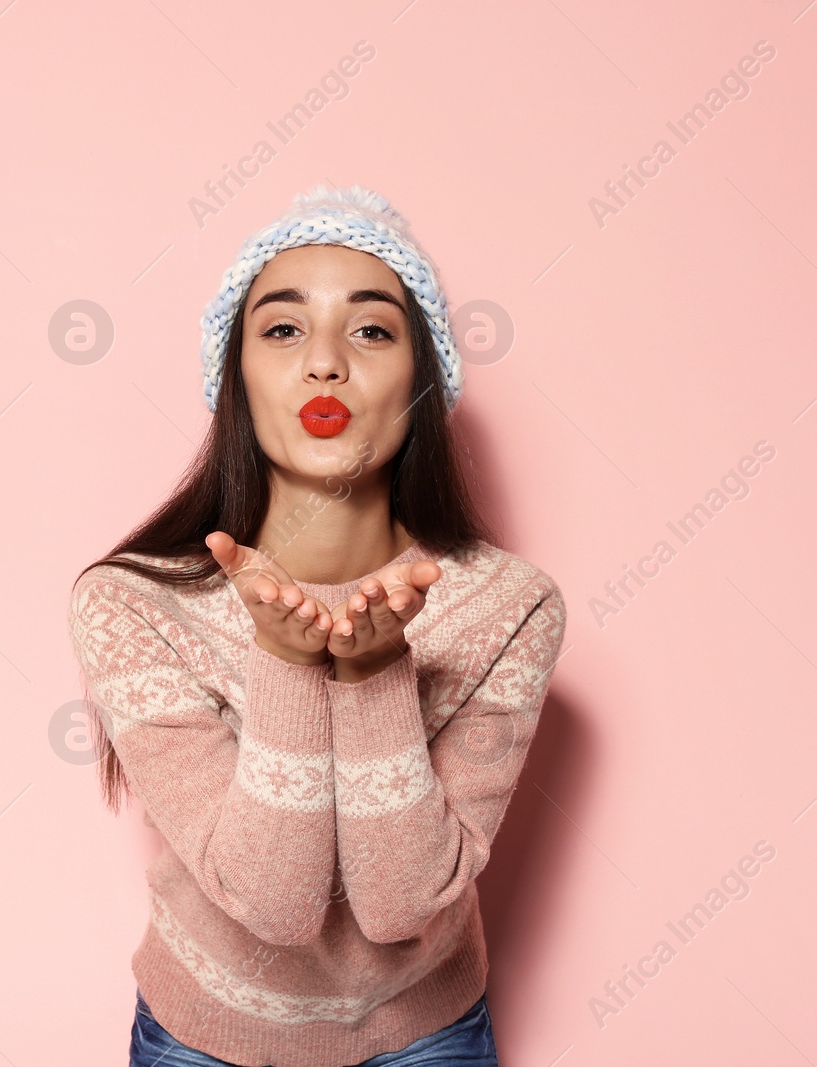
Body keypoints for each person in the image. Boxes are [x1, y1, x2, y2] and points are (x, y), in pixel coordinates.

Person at [67, 184, 567, 1067]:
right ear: (236, 376)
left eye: (372, 330)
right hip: (204, 1038)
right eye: (283, 329)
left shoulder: (509, 605)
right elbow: (276, 905)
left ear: (422, 378)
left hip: (427, 1035)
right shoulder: (131, 604)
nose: (325, 363)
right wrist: (290, 663)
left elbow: (401, 904)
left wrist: (374, 676)